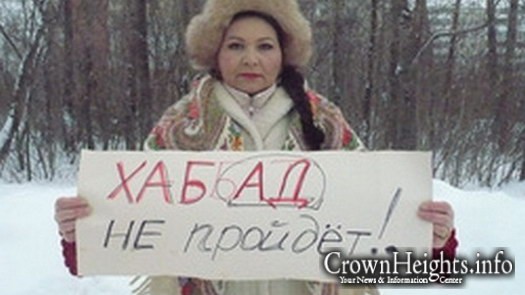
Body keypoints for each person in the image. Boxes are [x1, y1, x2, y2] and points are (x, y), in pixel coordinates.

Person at [54, 0, 458, 294]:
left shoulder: (325, 123)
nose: (251, 59)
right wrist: (80, 232)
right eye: (235, 45)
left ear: (284, 54)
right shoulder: (178, 128)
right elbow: (123, 232)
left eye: (265, 46)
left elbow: (379, 223)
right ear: (215, 51)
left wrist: (435, 241)